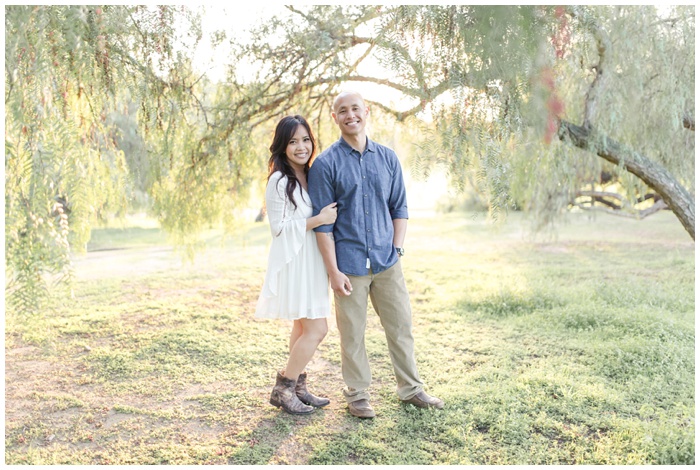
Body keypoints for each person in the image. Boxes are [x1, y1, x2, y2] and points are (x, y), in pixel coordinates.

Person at [307, 91, 444, 419]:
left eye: (355, 108)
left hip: (387, 262)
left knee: (401, 326)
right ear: (335, 117)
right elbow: (322, 227)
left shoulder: (388, 158)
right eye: (342, 111)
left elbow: (400, 207)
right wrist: (333, 272)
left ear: (366, 112)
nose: (350, 115)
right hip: (350, 265)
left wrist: (396, 248)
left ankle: (411, 389)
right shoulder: (325, 164)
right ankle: (357, 396)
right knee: (352, 334)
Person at [254, 115, 338, 415]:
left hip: (312, 260)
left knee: (303, 326)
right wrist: (318, 220)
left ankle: (298, 388)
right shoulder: (279, 180)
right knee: (318, 329)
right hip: (296, 260)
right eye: (293, 141)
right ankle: (284, 387)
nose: (301, 146)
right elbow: (277, 227)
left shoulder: (312, 174)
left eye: (305, 139)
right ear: (282, 146)